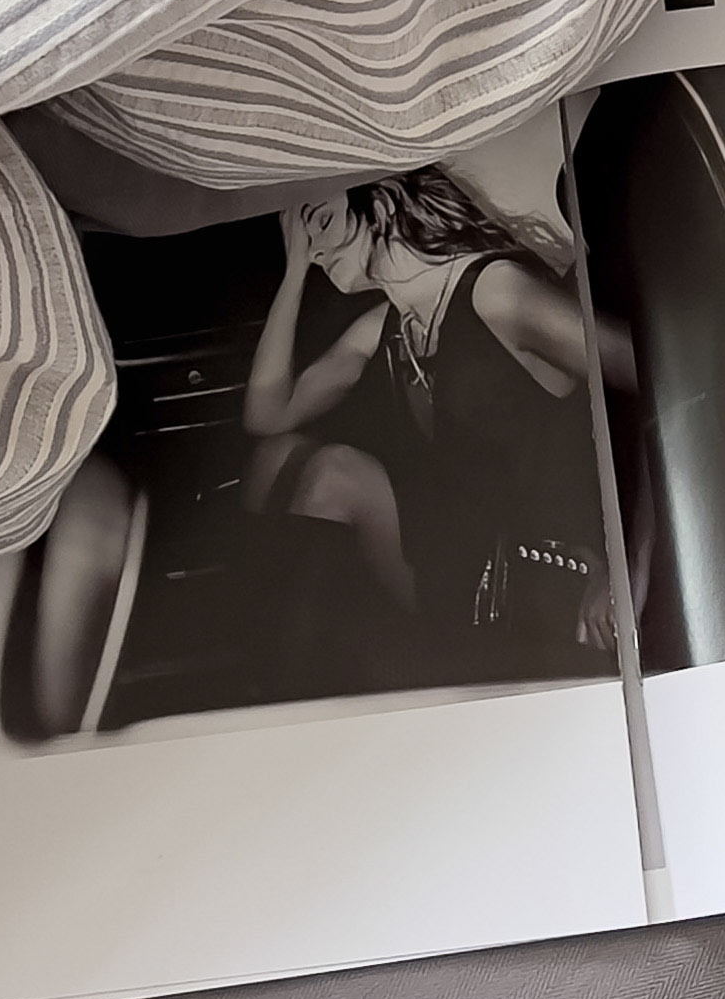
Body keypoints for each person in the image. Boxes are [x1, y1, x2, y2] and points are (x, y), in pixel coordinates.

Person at [246, 169, 630, 654]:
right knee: (277, 459)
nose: (314, 247)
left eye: (321, 222)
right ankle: (280, 669)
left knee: (326, 475)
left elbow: (661, 379)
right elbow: (267, 415)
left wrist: (626, 566)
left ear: (382, 204)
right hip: (465, 563)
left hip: (548, 572)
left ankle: (304, 669)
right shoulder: (389, 324)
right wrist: (294, 270)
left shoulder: (495, 291)